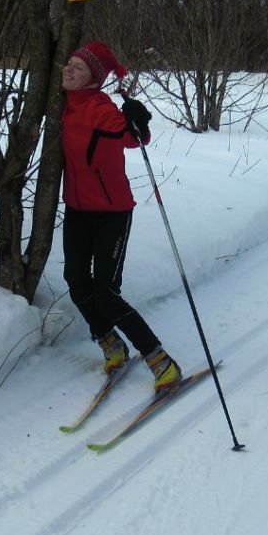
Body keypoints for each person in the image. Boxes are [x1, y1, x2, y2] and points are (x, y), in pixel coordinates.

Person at [60, 41, 182, 394]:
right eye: (69, 63)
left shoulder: (99, 108)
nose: (69, 69)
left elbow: (133, 137)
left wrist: (137, 120)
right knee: (76, 281)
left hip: (111, 213)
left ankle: (161, 362)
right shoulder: (65, 106)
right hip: (77, 210)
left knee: (106, 293)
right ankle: (111, 344)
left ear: (93, 80)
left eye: (78, 67)